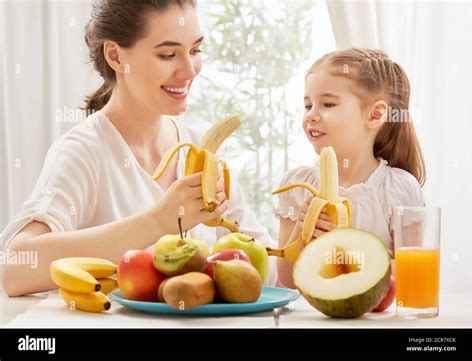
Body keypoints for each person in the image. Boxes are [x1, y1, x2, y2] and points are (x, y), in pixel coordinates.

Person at [1, 0, 277, 296]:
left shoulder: (200, 150)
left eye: (195, 51)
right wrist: (157, 221)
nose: (189, 71)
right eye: (168, 54)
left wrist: (303, 233)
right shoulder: (84, 151)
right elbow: (15, 269)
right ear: (116, 56)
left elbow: (268, 275)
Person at [275, 48, 426, 288]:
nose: (311, 116)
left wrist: (348, 252)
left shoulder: (398, 188)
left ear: (375, 115)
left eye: (327, 104)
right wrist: (301, 235)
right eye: (308, 105)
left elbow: (413, 274)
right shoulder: (297, 186)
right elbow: (285, 279)